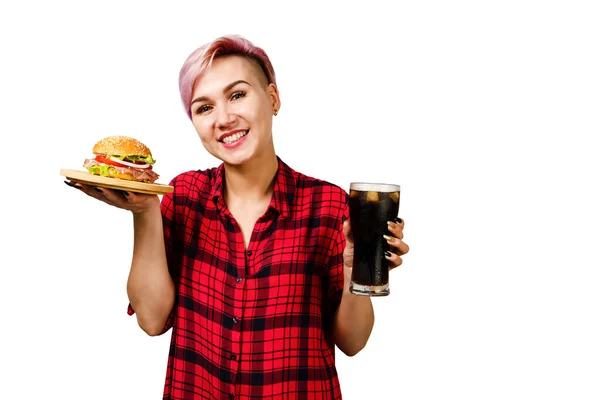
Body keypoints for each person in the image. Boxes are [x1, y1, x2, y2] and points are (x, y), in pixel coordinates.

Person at [65, 34, 410, 400]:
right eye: (204, 107)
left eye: (237, 95)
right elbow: (151, 321)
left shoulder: (328, 205)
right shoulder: (183, 196)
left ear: (273, 99)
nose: (224, 119)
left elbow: (353, 342)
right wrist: (144, 211)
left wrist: (355, 270)